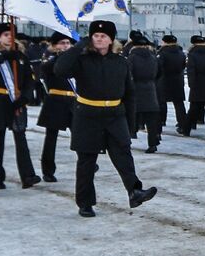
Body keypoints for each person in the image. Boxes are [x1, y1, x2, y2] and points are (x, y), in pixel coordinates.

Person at [50, 19, 157, 217]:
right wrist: (79, 46)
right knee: (86, 162)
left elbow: (130, 94)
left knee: (124, 155)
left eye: (104, 36)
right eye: (96, 36)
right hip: (87, 116)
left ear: (111, 40)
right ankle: (85, 203)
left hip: (115, 116)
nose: (99, 39)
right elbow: (60, 70)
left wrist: (131, 125)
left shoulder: (121, 62)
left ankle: (134, 191)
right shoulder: (81, 60)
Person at [0, 23, 42, 189]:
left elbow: (30, 81)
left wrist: (25, 98)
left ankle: (28, 176)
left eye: (12, 34)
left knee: (20, 138)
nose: (9, 37)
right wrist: (5, 56)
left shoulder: (21, 57)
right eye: (6, 34)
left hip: (16, 101)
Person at [36, 32, 76, 182]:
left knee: (79, 135)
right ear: (54, 46)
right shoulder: (50, 60)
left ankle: (87, 162)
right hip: (56, 101)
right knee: (51, 138)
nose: (65, 46)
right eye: (62, 43)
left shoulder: (76, 60)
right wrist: (62, 57)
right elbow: (46, 69)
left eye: (67, 43)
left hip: (73, 101)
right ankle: (48, 170)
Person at [126, 32, 164, 154]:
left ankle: (127, 141)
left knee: (131, 117)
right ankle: (153, 143)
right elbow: (159, 73)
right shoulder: (153, 57)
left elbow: (128, 74)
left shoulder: (131, 57)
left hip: (135, 90)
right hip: (151, 89)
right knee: (151, 120)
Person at [157, 34, 188, 133]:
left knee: (161, 102)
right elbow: (183, 65)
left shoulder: (162, 53)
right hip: (178, 80)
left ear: (165, 42)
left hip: (164, 80)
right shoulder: (181, 52)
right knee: (179, 103)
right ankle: (182, 123)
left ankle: (161, 121)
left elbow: (159, 67)